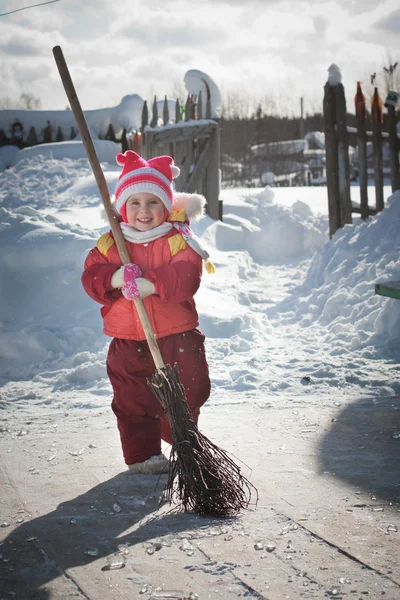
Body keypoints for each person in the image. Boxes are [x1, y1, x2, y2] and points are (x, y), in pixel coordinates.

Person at [82, 150, 213, 474]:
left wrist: (151, 284)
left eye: (153, 202)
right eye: (135, 202)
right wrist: (113, 277)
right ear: (123, 207)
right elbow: (90, 277)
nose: (144, 210)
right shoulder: (110, 243)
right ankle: (143, 455)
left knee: (191, 387)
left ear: (166, 206)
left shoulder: (178, 239)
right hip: (128, 337)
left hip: (177, 332)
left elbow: (188, 276)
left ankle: (178, 432)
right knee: (132, 397)